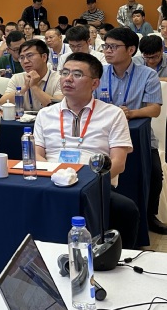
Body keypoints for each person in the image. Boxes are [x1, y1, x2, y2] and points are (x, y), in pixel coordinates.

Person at [34, 53, 139, 248]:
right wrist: (55, 176)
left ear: (95, 83)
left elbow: (119, 163)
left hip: (94, 186)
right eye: (65, 73)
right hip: (51, 182)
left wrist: (85, 182)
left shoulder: (113, 114)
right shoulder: (45, 114)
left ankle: (117, 258)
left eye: (77, 74)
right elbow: (37, 155)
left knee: (126, 209)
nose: (68, 79)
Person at [99, 27, 166, 234]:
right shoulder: (98, 73)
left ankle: (149, 216)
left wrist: (130, 113)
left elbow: (154, 109)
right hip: (103, 135)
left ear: (131, 50)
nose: (107, 51)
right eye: (106, 46)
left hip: (139, 135)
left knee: (155, 172)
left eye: (113, 47)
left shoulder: (148, 75)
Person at [0, 39, 63, 111]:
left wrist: (34, 87)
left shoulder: (59, 79)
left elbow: (58, 108)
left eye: (30, 56)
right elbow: (2, 103)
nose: (25, 61)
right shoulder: (17, 78)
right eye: (22, 57)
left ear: (44, 57)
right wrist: (24, 89)